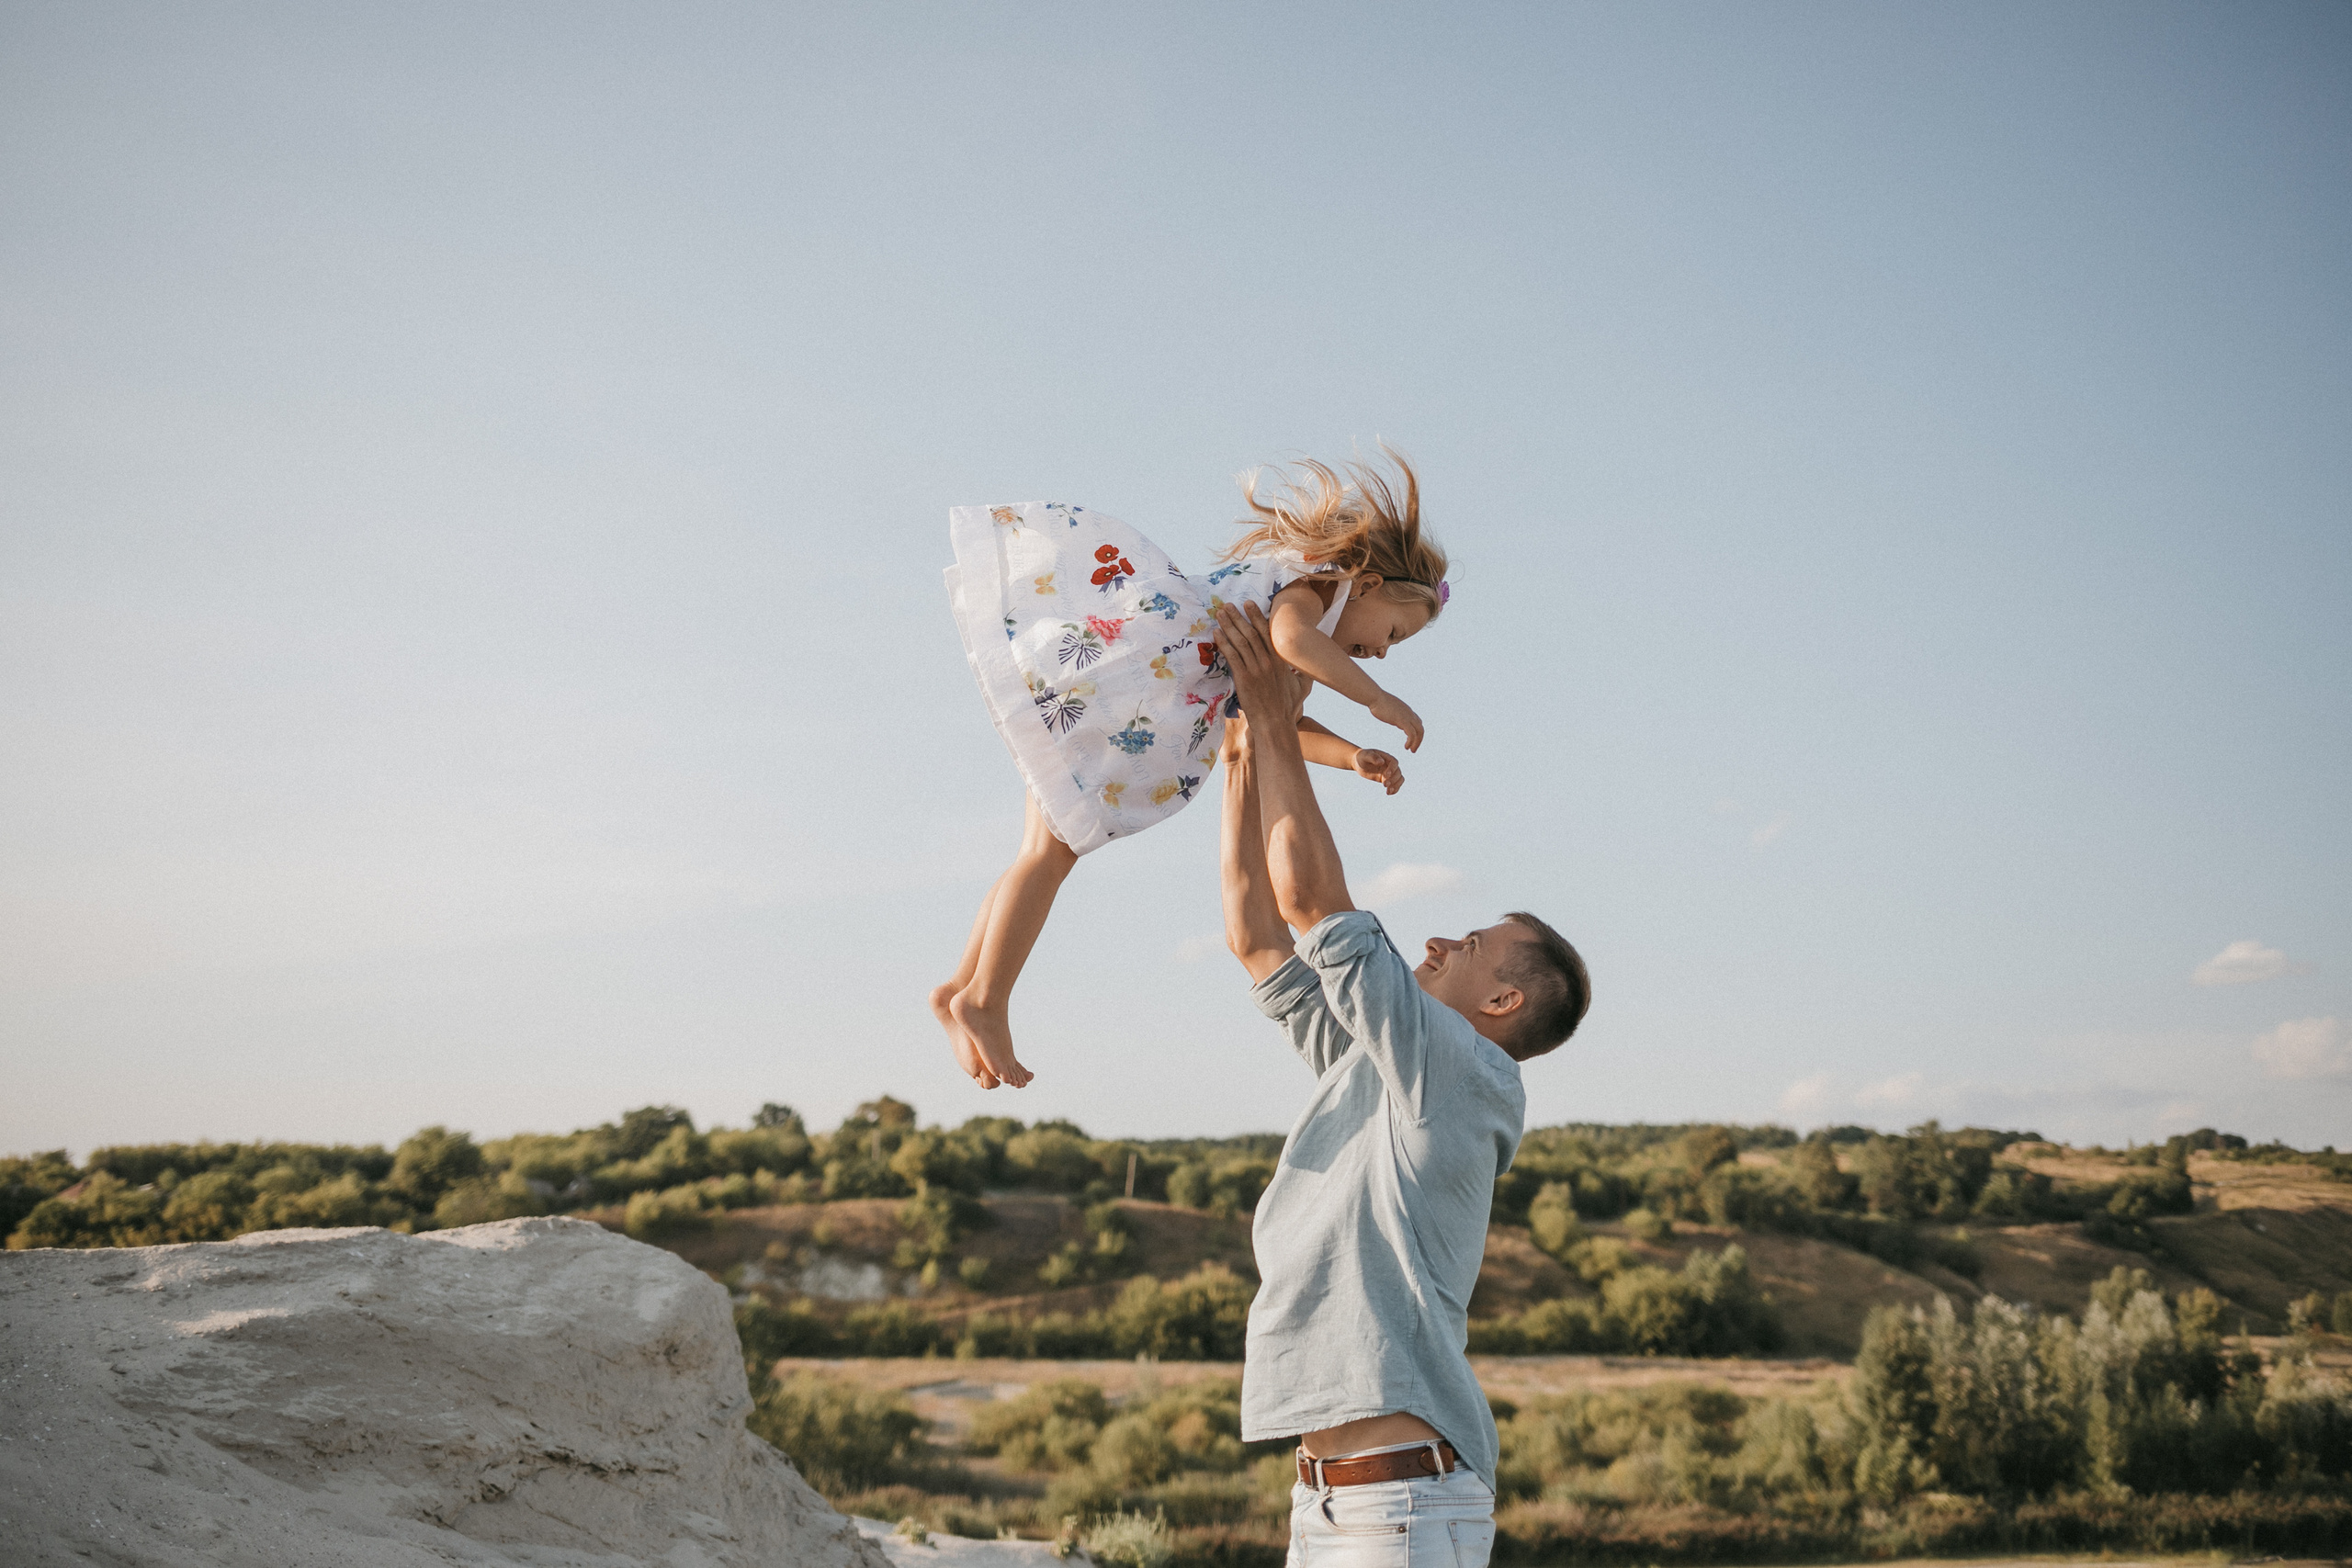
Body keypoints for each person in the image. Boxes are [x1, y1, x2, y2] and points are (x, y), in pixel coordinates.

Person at [1209, 596, 1589, 1568]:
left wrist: (1268, 702)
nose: (1432, 940)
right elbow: (1258, 938)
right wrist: (1242, 767)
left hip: (1402, 1509)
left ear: (1501, 1002)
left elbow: (1309, 904)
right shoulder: (1383, 1068)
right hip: (1335, 1507)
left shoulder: (1462, 1074)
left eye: (1464, 944)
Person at [935, 453, 1448, 1089]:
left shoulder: (1304, 626)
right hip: (1128, 684)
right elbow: (1292, 642)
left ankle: (961, 986)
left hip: (1124, 694)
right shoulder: (1311, 589)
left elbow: (1277, 721)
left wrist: (1351, 755)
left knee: (1038, 852)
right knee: (1051, 855)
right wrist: (1375, 698)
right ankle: (984, 997)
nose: (1380, 652)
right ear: (1366, 586)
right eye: (1393, 633)